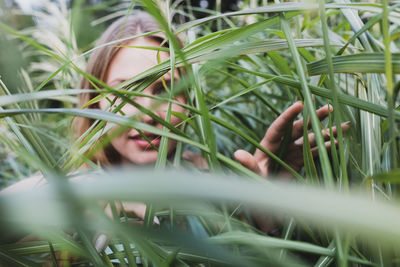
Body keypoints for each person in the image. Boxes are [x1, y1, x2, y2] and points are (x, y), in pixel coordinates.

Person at [2, 10, 344, 237]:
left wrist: (261, 206)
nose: (147, 111)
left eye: (167, 89)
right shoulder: (67, 194)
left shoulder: (210, 180)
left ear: (189, 102)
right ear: (94, 101)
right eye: (124, 92)